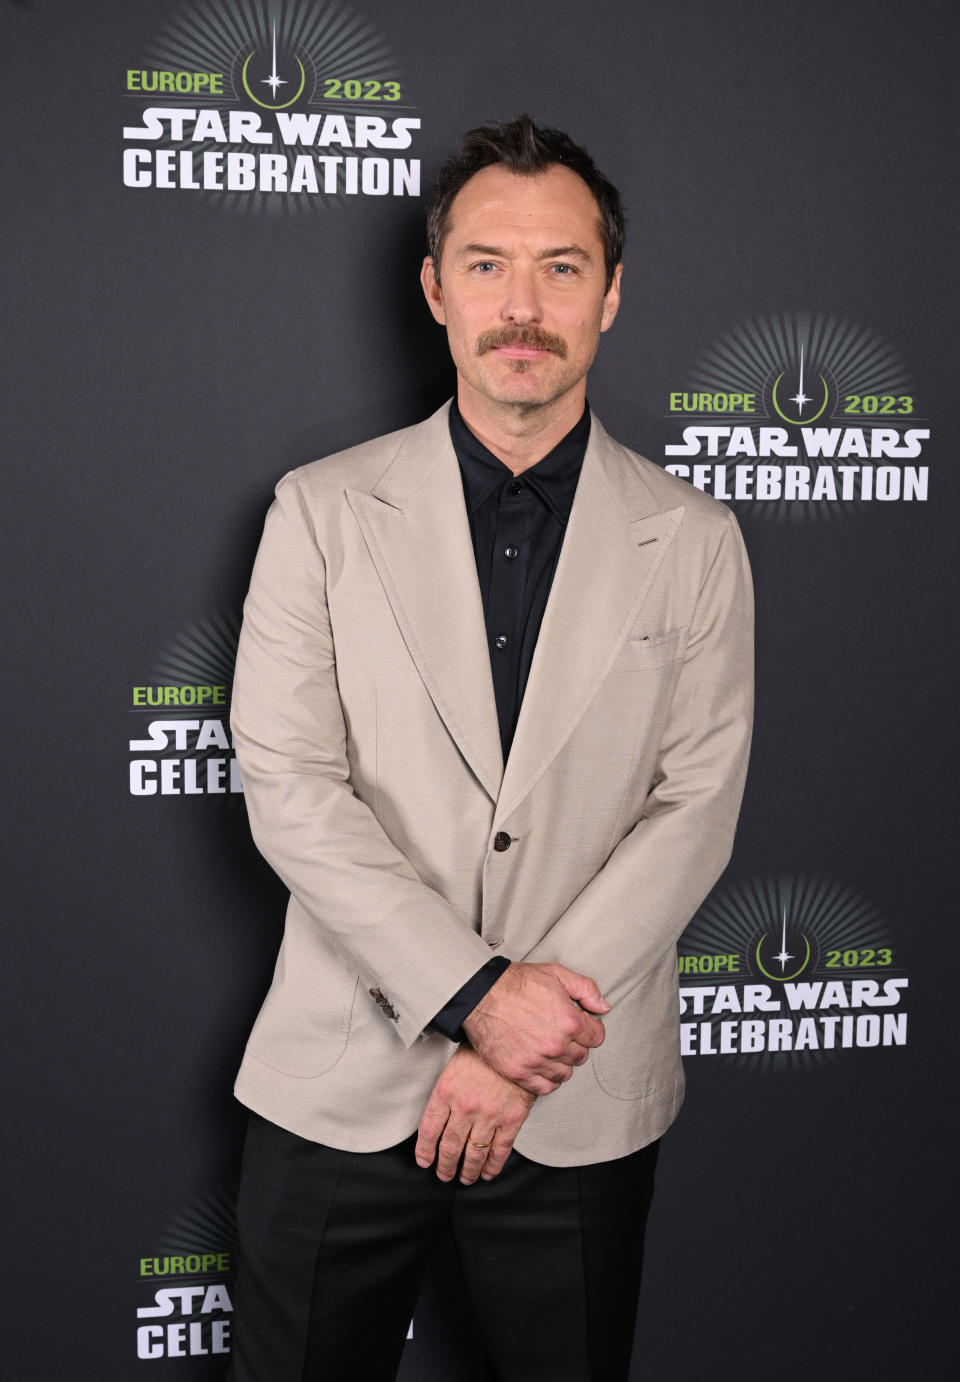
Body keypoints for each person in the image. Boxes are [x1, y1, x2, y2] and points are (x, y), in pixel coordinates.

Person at [227, 115, 753, 1382]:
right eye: (487, 263)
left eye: (562, 267)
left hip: (576, 1102)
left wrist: (528, 1043)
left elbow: (695, 804)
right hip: (342, 1082)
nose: (524, 304)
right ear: (434, 285)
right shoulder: (321, 509)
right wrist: (476, 1002)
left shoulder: (695, 538)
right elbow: (291, 786)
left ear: (613, 293)